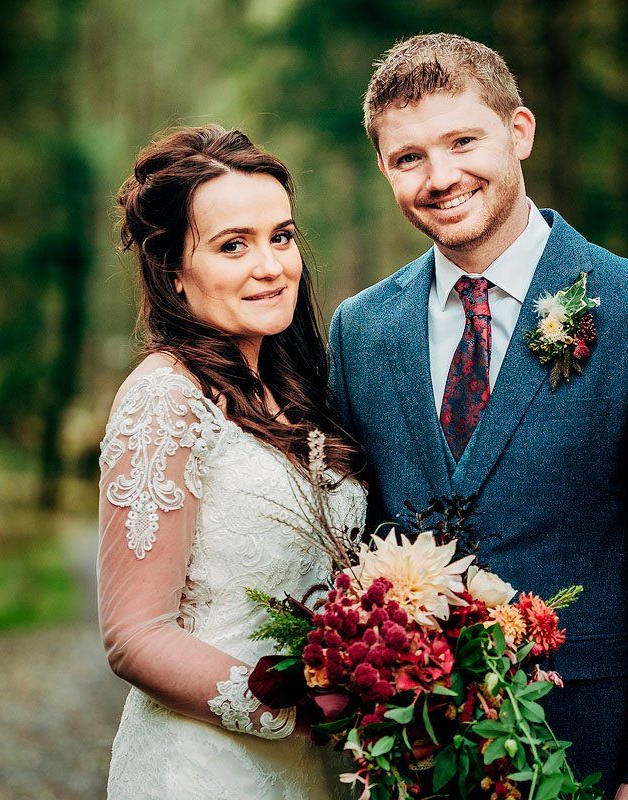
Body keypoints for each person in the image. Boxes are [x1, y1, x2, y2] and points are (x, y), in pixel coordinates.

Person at [328, 34, 628, 798]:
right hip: (412, 756)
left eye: (462, 141)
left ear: (519, 132)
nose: (441, 177)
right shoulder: (361, 329)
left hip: (587, 746)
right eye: (408, 157)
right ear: (384, 170)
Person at [98, 125, 364, 799]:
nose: (272, 265)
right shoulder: (166, 398)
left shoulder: (302, 390)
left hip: (310, 775)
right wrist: (298, 711)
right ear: (174, 273)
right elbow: (135, 635)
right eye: (233, 245)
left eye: (281, 236)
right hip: (202, 770)